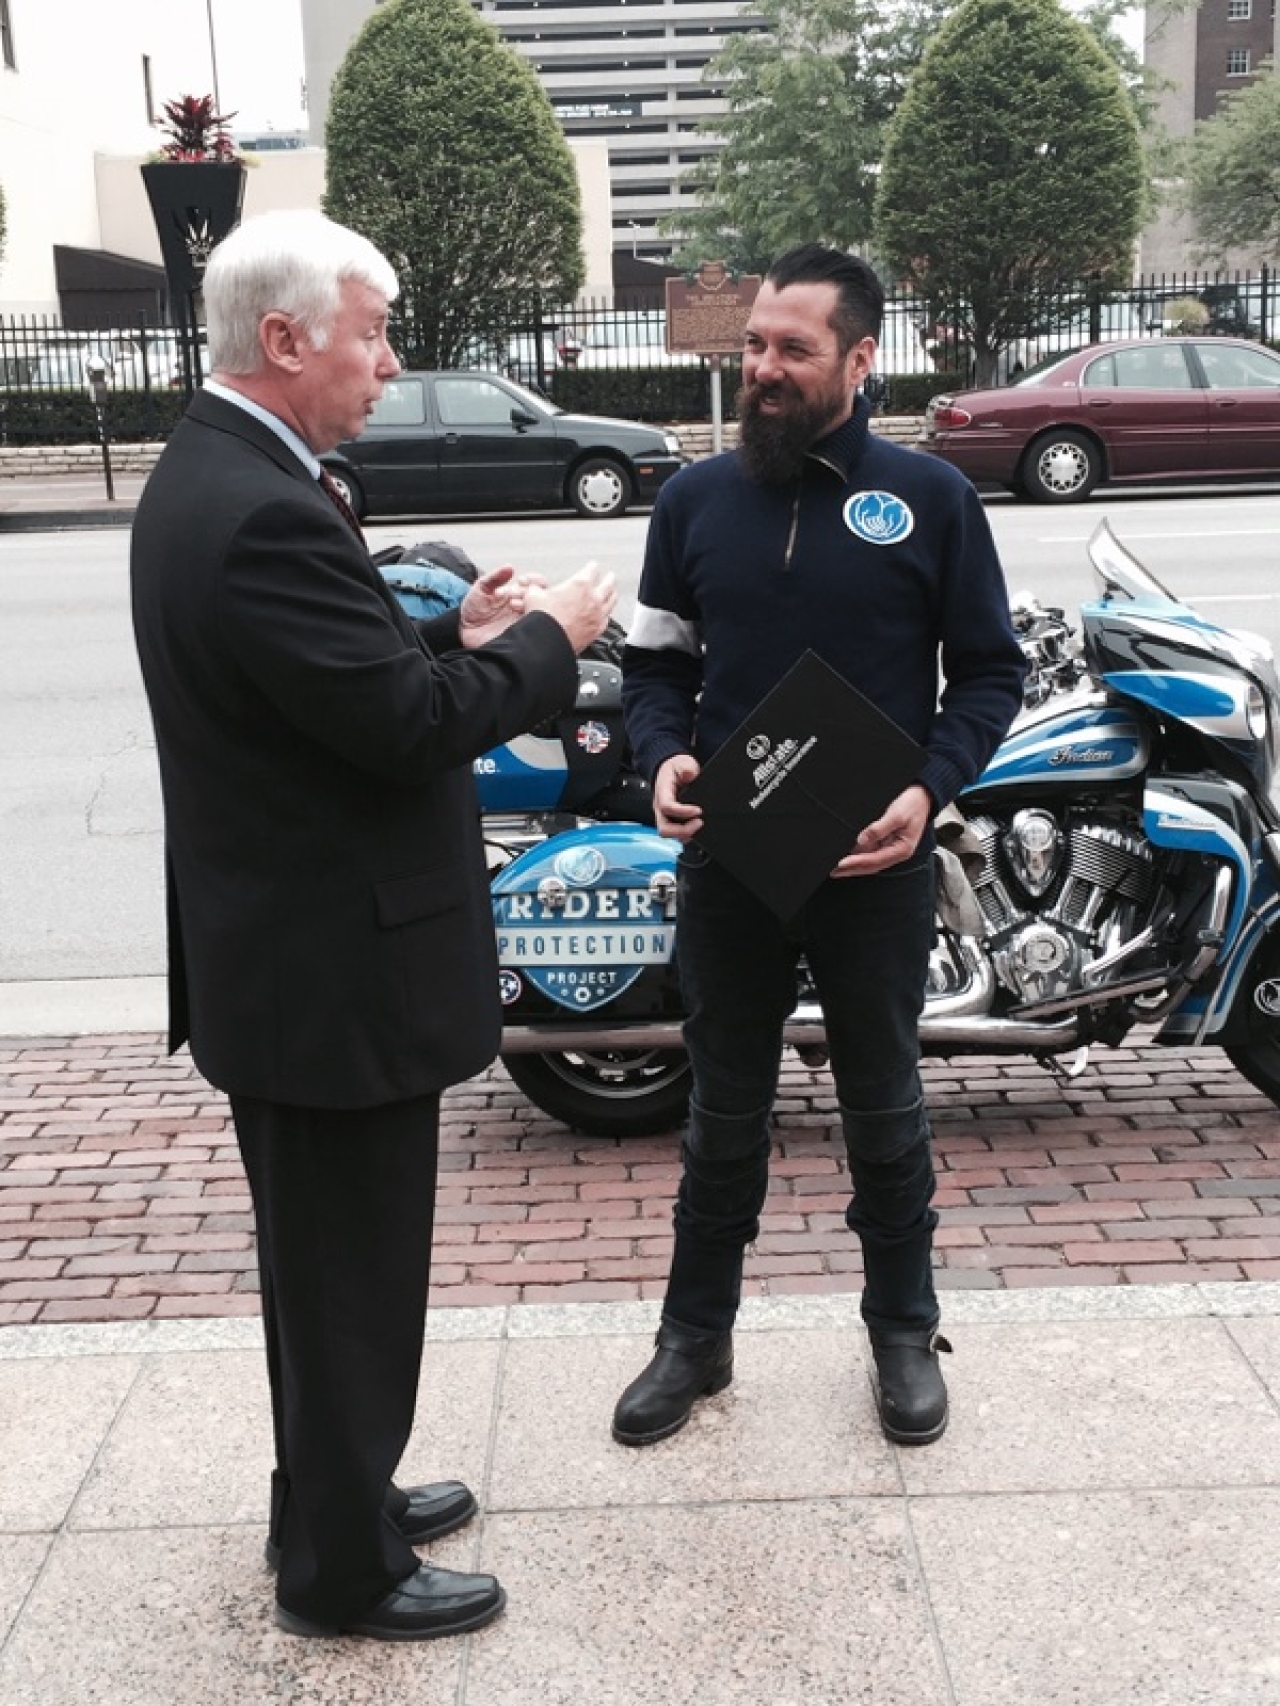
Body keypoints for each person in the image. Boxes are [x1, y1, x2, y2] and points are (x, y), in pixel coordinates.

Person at [130, 210, 615, 1640]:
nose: (389, 363)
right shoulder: (264, 504)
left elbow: (332, 685)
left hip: (294, 959)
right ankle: (345, 1572)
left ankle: (339, 1493)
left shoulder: (230, 471)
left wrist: (436, 630)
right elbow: (402, 734)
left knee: (323, 1277)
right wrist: (546, 643)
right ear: (285, 340)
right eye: (371, 332)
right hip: (327, 973)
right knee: (348, 1284)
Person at [613, 243, 1025, 1451]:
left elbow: (988, 672)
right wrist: (661, 759)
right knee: (721, 1107)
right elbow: (653, 664)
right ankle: (694, 1334)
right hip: (729, 858)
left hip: (872, 862)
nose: (762, 370)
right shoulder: (691, 500)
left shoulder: (933, 500)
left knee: (882, 1102)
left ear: (859, 357)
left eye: (791, 349)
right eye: (752, 346)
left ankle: (901, 1327)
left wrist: (928, 785)